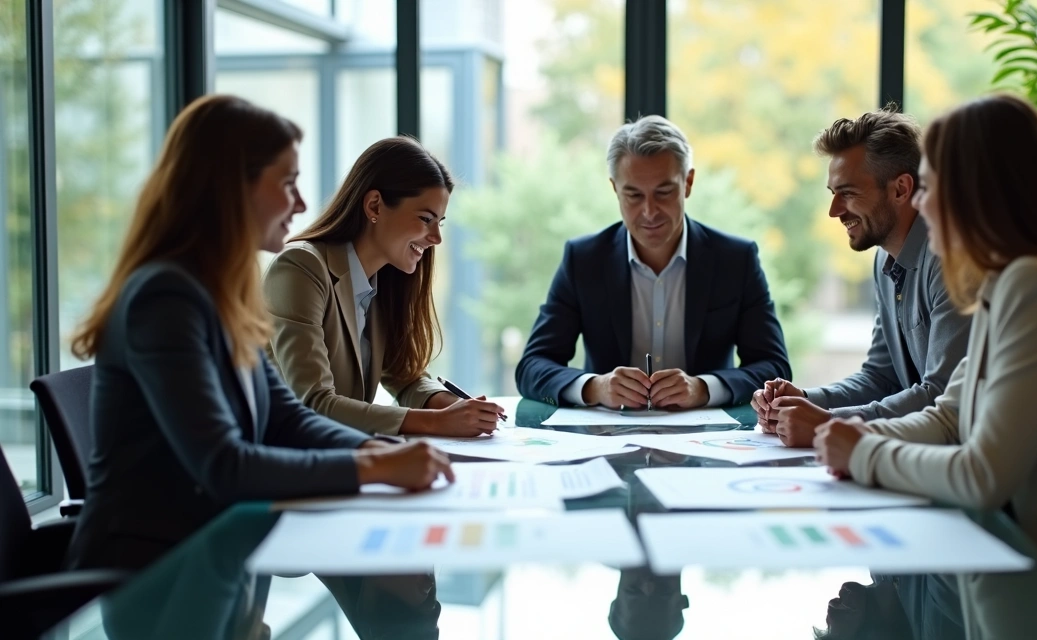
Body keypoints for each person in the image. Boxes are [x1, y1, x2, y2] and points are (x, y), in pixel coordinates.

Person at [64, 95, 454, 572]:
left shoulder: (218, 290)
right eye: (288, 183)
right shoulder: (163, 298)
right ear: (231, 187)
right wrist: (373, 467)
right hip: (152, 571)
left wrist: (373, 448)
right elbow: (224, 464)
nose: (302, 203)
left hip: (217, 558)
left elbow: (285, 416)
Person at [808, 94, 1037, 567]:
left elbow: (983, 475)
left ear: (977, 193)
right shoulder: (1005, 282)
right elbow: (948, 416)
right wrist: (847, 435)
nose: (921, 204)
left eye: (928, 187)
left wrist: (863, 452)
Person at [515, 115, 791, 409]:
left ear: (688, 183)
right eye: (633, 195)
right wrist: (595, 387)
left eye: (664, 192)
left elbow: (774, 367)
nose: (649, 211)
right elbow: (532, 366)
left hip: (710, 443)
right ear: (614, 189)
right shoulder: (583, 260)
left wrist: (703, 388)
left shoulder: (736, 259)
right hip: (605, 444)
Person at [264, 136, 502, 437]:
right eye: (425, 218)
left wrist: (452, 406)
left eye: (439, 222)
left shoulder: (382, 279)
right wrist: (437, 422)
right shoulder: (300, 268)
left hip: (344, 457)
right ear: (375, 205)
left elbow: (403, 376)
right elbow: (314, 403)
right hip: (291, 463)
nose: (436, 239)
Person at [752, 107, 970, 436]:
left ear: (900, 189)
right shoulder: (884, 262)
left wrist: (827, 423)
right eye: (833, 194)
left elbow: (943, 396)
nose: (834, 211)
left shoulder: (951, 259)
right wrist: (806, 401)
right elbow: (882, 378)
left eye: (848, 193)